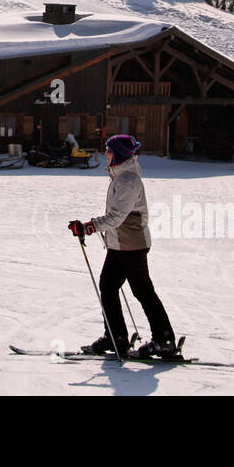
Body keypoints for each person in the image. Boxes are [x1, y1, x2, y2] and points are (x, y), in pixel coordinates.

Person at [68, 134, 177, 359]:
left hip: (132, 245)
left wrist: (89, 227)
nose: (105, 154)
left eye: (108, 150)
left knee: (142, 291)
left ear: (117, 154)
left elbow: (116, 217)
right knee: (108, 287)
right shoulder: (120, 177)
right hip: (120, 244)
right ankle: (115, 337)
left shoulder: (128, 180)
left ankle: (164, 339)